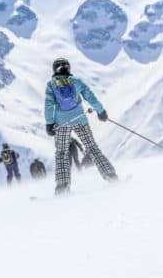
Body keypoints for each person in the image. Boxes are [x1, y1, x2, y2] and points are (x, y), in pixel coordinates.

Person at [44, 57, 118, 194]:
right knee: (92, 147)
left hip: (62, 123)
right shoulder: (76, 81)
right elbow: (90, 96)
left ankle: (62, 187)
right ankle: (110, 176)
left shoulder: (51, 85)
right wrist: (100, 111)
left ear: (54, 70)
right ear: (68, 68)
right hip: (80, 119)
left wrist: (49, 123)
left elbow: (49, 105)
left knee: (61, 153)